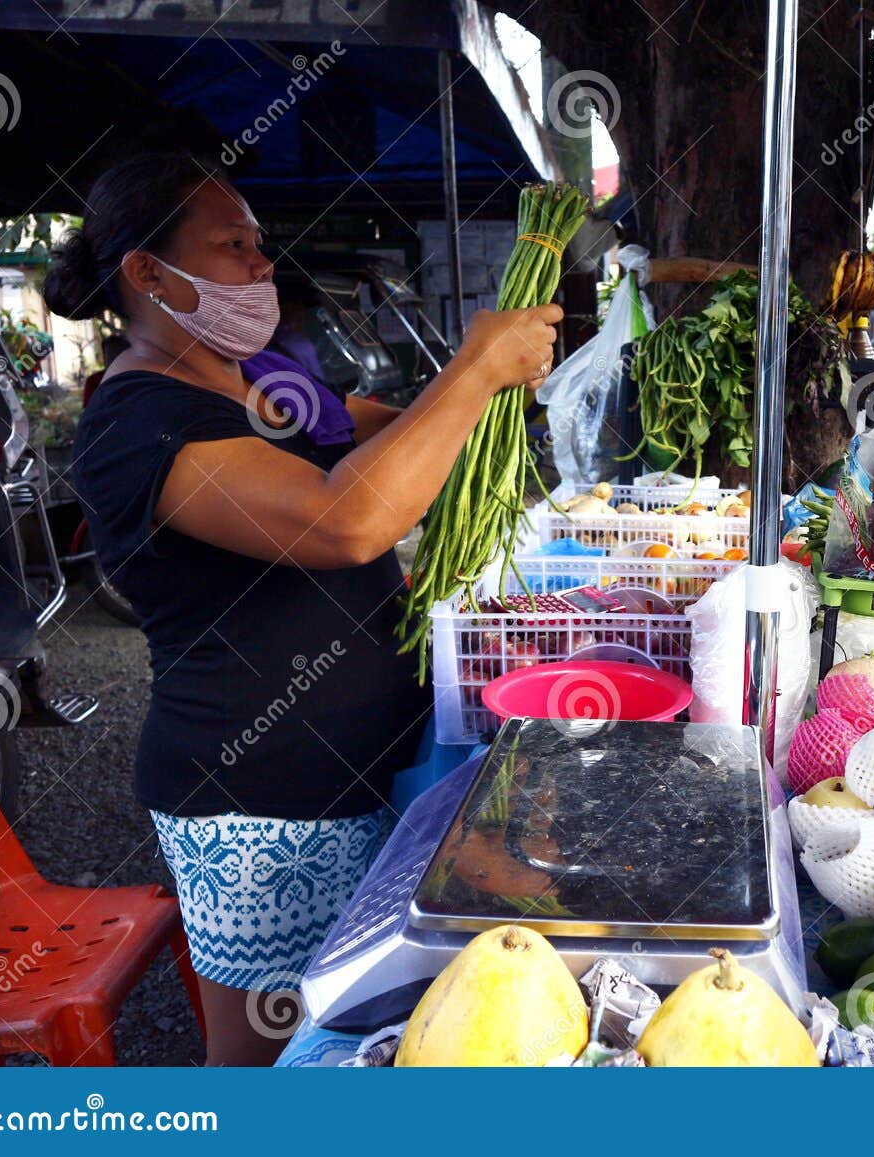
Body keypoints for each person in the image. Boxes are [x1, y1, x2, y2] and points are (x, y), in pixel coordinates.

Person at [44, 153, 560, 1065]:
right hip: (257, 803)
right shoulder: (136, 426)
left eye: (258, 242)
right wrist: (477, 367)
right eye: (231, 245)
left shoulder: (255, 380)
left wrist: (471, 397)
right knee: (272, 1059)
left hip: (362, 775)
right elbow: (344, 519)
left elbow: (373, 431)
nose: (259, 264)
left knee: (367, 1036)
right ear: (148, 273)